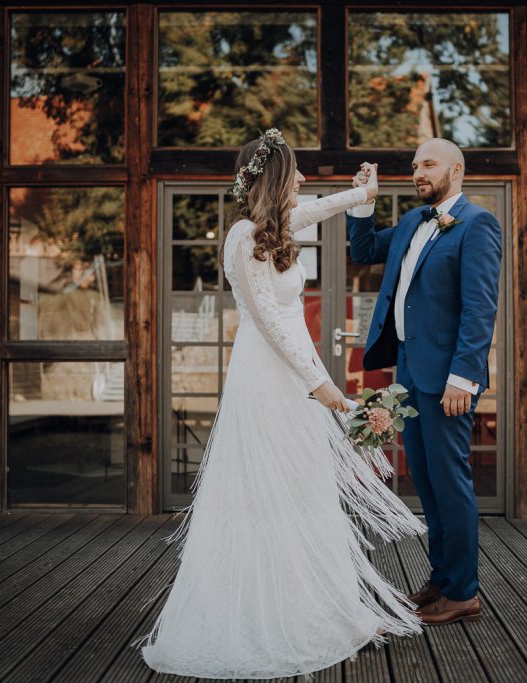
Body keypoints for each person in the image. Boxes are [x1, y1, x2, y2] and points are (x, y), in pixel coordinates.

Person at [133, 129, 425, 679]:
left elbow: (321, 206)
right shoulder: (243, 238)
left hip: (293, 376)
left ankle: (330, 608)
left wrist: (363, 195)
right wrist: (322, 385)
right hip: (270, 378)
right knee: (270, 491)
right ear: (272, 179)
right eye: (294, 172)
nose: (303, 179)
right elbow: (270, 323)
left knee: (305, 488)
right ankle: (270, 614)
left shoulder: (277, 226)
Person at [348, 139, 502, 626]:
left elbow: (480, 309)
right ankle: (441, 579)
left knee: (450, 483)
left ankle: (463, 593)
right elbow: (363, 249)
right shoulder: (414, 222)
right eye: (415, 165)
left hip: (449, 378)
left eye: (428, 164)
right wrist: (364, 200)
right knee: (429, 483)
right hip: (410, 369)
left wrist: (464, 377)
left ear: (456, 170)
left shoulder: (478, 225)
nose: (418, 172)